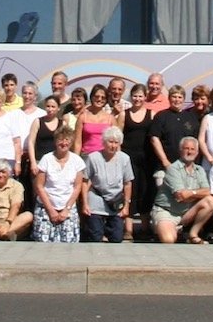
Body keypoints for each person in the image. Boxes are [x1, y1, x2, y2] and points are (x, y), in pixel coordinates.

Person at [153, 137, 213, 244]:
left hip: (186, 213)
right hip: (167, 212)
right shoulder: (173, 169)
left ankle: (193, 234)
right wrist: (196, 194)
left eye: (192, 149)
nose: (189, 151)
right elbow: (180, 195)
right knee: (169, 240)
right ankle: (167, 229)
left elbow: (208, 191)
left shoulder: (200, 170)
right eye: (186, 148)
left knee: (210, 201)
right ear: (180, 150)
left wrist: (192, 193)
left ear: (197, 152)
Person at [33, 129, 86, 243]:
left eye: (67, 140)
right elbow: (39, 186)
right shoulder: (46, 159)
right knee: (43, 241)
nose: (63, 143)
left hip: (68, 207)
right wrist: (51, 210)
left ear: (71, 143)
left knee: (69, 242)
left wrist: (66, 210)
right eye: (60, 140)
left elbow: (77, 187)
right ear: (55, 141)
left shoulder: (77, 161)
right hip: (46, 207)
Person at [82, 128, 134, 243]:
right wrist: (85, 204)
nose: (113, 145)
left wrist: (126, 206)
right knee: (95, 238)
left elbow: (127, 183)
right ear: (104, 142)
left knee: (116, 238)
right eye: (110, 142)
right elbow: (85, 181)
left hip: (115, 203)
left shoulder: (124, 159)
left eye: (116, 142)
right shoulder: (93, 157)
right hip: (96, 199)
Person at [119, 82, 156, 240]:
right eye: (135, 96)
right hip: (128, 159)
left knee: (146, 191)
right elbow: (118, 137)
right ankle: (128, 230)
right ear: (131, 97)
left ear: (145, 97)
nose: (137, 99)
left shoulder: (151, 113)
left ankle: (145, 228)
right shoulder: (123, 114)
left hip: (146, 159)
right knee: (130, 192)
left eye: (140, 96)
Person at [149, 85, 201, 175]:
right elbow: (154, 139)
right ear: (169, 98)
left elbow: (196, 142)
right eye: (174, 97)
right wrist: (165, 161)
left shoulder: (191, 117)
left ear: (184, 99)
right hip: (165, 167)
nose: (177, 100)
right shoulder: (161, 116)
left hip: (187, 168)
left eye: (180, 97)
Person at [75, 84, 115, 156]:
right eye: (97, 96)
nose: (99, 99)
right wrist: (76, 160)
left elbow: (116, 142)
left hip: (105, 158)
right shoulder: (83, 117)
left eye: (103, 98)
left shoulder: (111, 119)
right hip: (86, 156)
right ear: (92, 97)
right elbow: (77, 142)